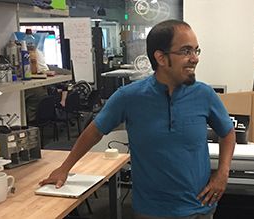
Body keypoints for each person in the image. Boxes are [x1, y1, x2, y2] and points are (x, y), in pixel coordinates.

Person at [40, 19, 236, 218]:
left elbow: (227, 132)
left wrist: (222, 174)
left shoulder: (204, 94)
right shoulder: (129, 97)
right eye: (186, 51)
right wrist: (64, 169)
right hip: (152, 211)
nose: (195, 58)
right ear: (160, 57)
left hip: (199, 208)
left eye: (196, 50)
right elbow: (94, 131)